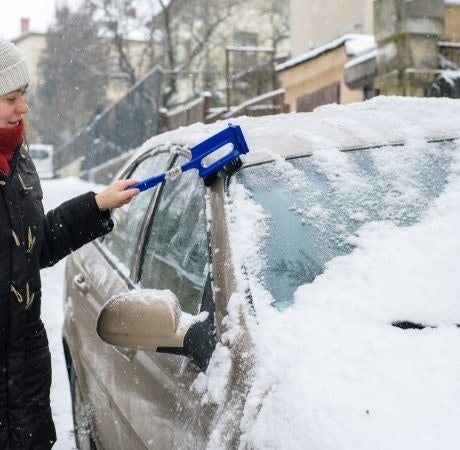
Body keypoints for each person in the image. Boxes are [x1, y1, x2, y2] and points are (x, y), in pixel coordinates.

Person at [0, 37, 140, 449]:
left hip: (23, 385)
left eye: (23, 96)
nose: (23, 109)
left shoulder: (18, 161)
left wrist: (98, 205)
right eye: (11, 98)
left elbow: (30, 250)